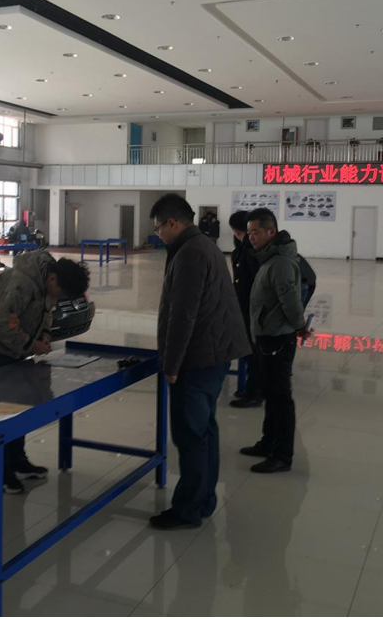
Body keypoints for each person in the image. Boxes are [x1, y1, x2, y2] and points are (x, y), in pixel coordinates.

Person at [149, 194, 250, 529]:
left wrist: (172, 365)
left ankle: (188, 509)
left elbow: (183, 315)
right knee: (204, 430)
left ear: (172, 223)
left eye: (159, 229)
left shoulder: (190, 253)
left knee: (191, 435)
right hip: (213, 352)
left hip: (198, 358)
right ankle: (204, 499)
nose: (158, 235)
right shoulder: (203, 245)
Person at [0, 249, 91, 494]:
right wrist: (30, 345)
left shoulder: (48, 282)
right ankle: (0, 470)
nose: (57, 298)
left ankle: (17, 460)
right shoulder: (20, 283)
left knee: (20, 404)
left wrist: (44, 335)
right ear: (53, 278)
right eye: (60, 293)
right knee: (1, 409)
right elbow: (0, 323)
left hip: (14, 348)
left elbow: (47, 312)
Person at [241, 208, 311, 474]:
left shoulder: (280, 263)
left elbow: (291, 301)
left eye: (255, 232)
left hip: (277, 339)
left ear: (271, 232)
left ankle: (282, 455)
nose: (251, 237)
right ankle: (268, 442)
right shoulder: (269, 259)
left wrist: (300, 326)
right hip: (267, 335)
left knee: (280, 398)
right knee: (270, 393)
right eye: (249, 233)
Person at [228, 211, 263, 408]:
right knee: (251, 351)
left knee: (253, 352)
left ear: (236, 231)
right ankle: (252, 389)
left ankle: (255, 393)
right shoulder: (248, 249)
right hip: (248, 307)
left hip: (251, 309)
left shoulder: (249, 252)